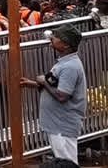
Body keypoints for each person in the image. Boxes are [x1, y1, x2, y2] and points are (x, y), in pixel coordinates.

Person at [21, 25, 87, 164]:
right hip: (57, 123)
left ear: (66, 45)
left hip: (63, 124)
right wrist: (34, 84)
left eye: (56, 37)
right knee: (62, 161)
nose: (52, 38)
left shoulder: (69, 66)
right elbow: (56, 86)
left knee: (67, 163)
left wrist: (43, 81)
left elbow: (62, 96)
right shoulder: (64, 63)